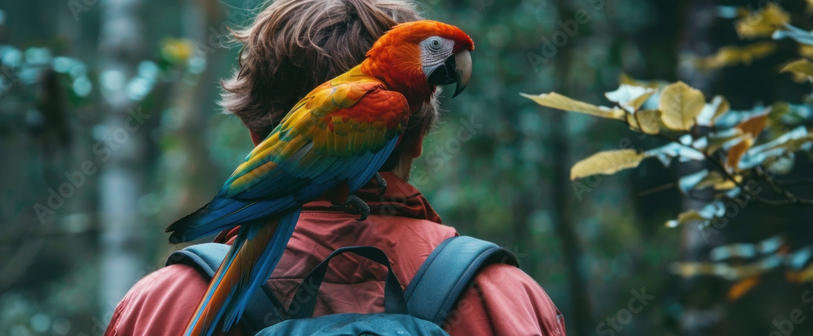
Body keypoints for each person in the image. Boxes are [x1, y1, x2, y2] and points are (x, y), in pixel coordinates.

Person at [105, 0, 566, 335]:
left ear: (251, 135)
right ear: (421, 139)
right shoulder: (505, 297)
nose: (449, 61)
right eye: (433, 48)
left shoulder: (159, 304)